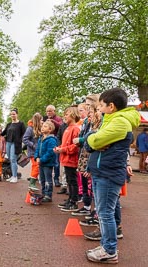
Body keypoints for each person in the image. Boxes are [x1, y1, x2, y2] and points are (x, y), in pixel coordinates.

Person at [84, 88, 140, 264]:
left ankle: (109, 250)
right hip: (103, 171)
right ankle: (106, 246)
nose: (98, 108)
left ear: (111, 106)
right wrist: (92, 138)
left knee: (105, 213)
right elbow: (91, 141)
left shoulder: (120, 123)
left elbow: (93, 141)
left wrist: (92, 138)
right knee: (105, 211)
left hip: (108, 173)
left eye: (101, 105)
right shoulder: (112, 119)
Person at [55, 106, 80, 212]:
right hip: (65, 159)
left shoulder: (75, 129)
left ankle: (74, 201)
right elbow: (65, 143)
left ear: (73, 115)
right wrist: (59, 148)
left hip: (71, 159)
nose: (64, 116)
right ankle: (70, 199)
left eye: (67, 114)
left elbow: (75, 146)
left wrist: (63, 149)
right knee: (69, 180)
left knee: (72, 180)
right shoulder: (67, 128)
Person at [34, 120, 57, 201]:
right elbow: (37, 149)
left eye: (45, 126)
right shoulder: (41, 138)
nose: (42, 127)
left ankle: (48, 195)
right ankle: (43, 193)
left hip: (47, 163)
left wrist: (42, 159)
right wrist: (36, 157)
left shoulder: (51, 139)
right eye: (42, 126)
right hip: (41, 162)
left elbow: (50, 152)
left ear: (50, 129)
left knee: (48, 179)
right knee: (42, 179)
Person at [2, 108, 26, 183]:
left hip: (15, 144)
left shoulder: (21, 124)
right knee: (10, 159)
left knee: (13, 159)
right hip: (8, 143)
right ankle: (12, 175)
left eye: (14, 114)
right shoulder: (9, 124)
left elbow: (24, 134)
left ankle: (15, 176)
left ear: (17, 115)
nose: (13, 115)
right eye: (11, 114)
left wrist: (20, 140)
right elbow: (4, 132)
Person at [23, 113, 43, 191]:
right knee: (36, 166)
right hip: (32, 152)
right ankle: (32, 183)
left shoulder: (39, 128)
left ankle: (32, 182)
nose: (42, 121)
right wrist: (33, 145)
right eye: (41, 120)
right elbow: (25, 139)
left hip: (38, 152)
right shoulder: (30, 129)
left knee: (35, 166)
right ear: (38, 120)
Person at [45, 105, 63, 187]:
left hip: (56, 141)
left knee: (56, 161)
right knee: (48, 159)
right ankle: (47, 179)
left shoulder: (58, 119)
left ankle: (56, 179)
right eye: (47, 111)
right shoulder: (45, 119)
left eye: (50, 111)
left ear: (54, 111)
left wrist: (53, 121)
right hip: (47, 141)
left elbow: (61, 126)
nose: (48, 113)